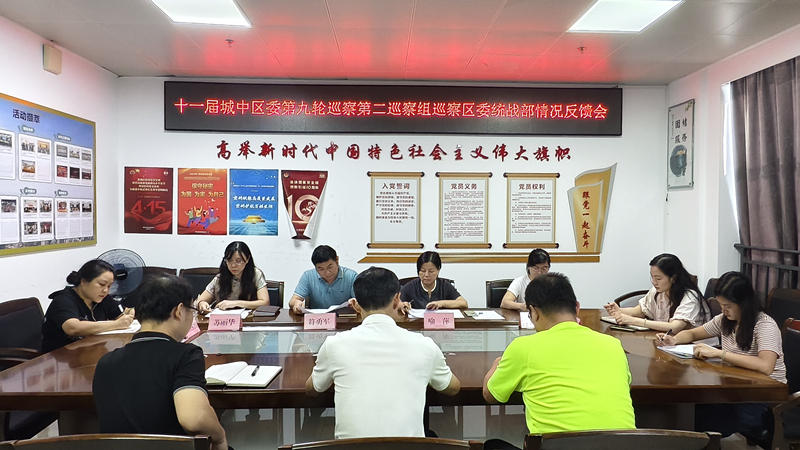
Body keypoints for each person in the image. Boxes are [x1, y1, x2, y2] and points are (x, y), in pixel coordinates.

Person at [483, 273, 634, 449]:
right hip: (623, 445)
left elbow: (490, 395)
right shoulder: (613, 345)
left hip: (559, 446)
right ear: (577, 308)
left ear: (534, 312)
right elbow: (626, 386)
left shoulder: (524, 347)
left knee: (492, 445)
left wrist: (495, 366)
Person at [305, 266, 461, 438]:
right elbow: (453, 387)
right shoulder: (424, 345)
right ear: (397, 300)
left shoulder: (334, 345)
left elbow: (312, 388)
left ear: (355, 305)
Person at [92, 275, 228, 450]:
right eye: (192, 310)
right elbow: (194, 419)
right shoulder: (185, 355)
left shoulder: (105, 362)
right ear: (179, 311)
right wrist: (220, 437)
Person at [657, 271, 786, 447]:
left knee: (697, 420)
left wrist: (719, 354)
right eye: (721, 305)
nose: (723, 310)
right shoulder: (725, 320)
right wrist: (674, 340)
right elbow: (694, 333)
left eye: (728, 306)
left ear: (743, 302)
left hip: (761, 398)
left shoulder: (764, 325)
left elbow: (766, 366)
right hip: (735, 390)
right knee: (687, 409)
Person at [42, 259, 134, 353]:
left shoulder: (102, 298)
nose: (105, 290)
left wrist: (129, 314)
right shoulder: (63, 300)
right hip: (61, 356)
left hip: (91, 350)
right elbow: (72, 328)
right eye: (102, 284)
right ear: (83, 281)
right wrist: (116, 324)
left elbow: (120, 315)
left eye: (109, 286)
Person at [604, 253, 709, 332]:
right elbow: (640, 310)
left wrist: (633, 321)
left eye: (658, 278)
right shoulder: (657, 292)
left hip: (693, 347)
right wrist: (620, 311)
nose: (654, 282)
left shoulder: (690, 297)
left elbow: (674, 327)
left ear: (673, 278)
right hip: (668, 342)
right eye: (652, 277)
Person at [195, 241, 268, 312]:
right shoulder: (220, 277)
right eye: (229, 260)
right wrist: (202, 303)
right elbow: (199, 300)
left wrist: (236, 303)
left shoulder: (256, 274)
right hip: (223, 318)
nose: (233, 265)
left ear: (247, 259)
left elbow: (265, 303)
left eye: (238, 261)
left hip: (249, 318)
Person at [289, 245, 358, 314]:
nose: (327, 273)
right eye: (321, 269)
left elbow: (361, 303)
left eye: (330, 267)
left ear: (337, 260)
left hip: (343, 318)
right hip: (317, 318)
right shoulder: (308, 276)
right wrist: (297, 303)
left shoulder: (351, 276)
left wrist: (355, 303)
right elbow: (293, 301)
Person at [398, 251, 467, 312]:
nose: (426, 275)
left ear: (438, 270)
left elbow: (463, 303)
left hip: (440, 322)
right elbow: (396, 304)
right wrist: (402, 305)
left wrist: (441, 303)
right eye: (423, 271)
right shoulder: (411, 287)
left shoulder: (444, 286)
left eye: (431, 271)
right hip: (417, 322)